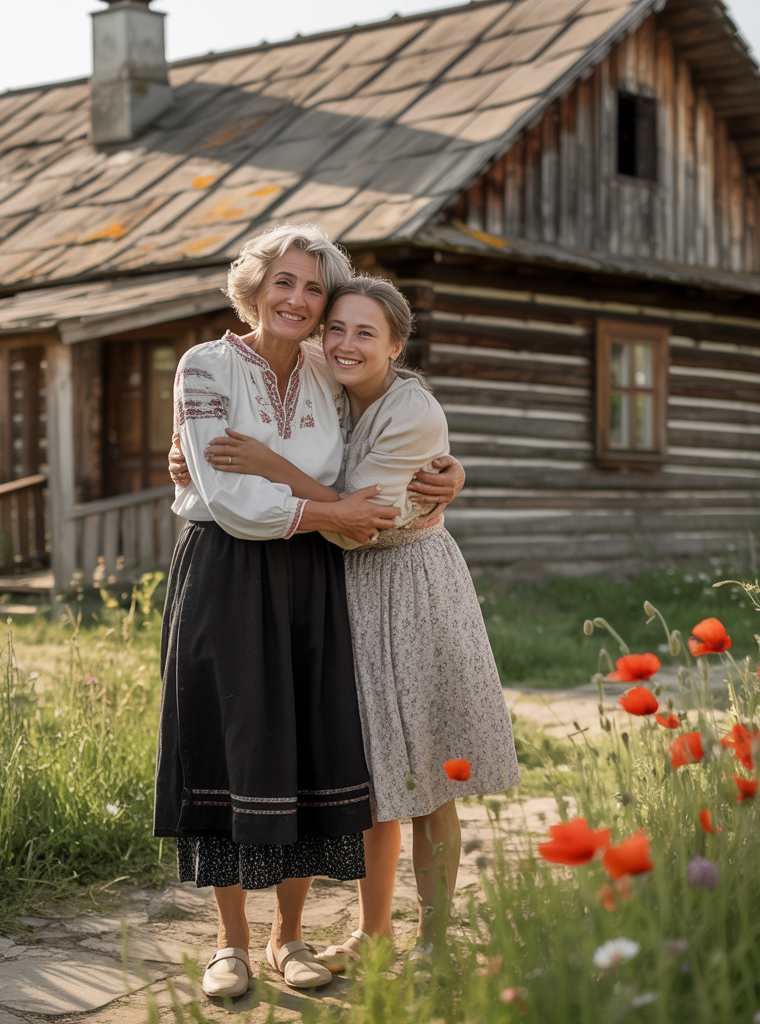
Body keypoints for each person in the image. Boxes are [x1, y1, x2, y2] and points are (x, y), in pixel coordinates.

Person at [172, 276, 520, 969]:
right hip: (338, 589)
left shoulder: (409, 409)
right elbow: (245, 446)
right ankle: (372, 932)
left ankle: (433, 940)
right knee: (374, 774)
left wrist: (270, 466)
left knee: (426, 773)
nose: (345, 342)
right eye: (336, 329)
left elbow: (363, 523)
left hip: (406, 587)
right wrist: (187, 460)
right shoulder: (322, 388)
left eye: (366, 332)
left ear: (396, 344)